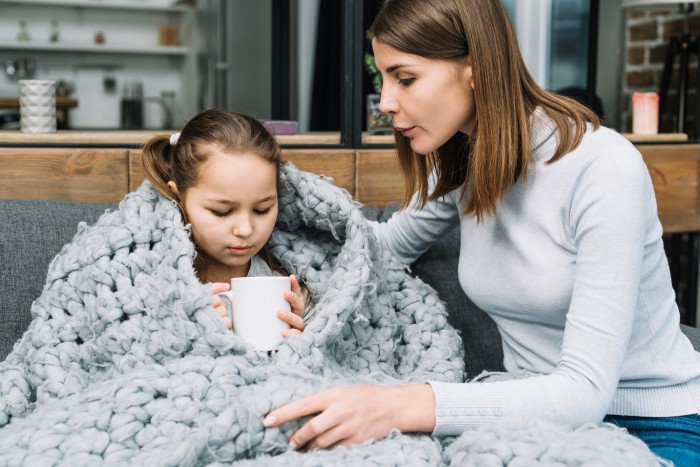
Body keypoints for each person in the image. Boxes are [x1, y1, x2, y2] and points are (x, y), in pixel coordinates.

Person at [262, 0, 700, 463]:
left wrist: (402, 404)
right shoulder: (467, 162)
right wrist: (298, 295)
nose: (387, 103)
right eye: (384, 79)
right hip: (523, 417)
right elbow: (380, 251)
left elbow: (586, 391)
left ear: (473, 68)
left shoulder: (604, 168)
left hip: (652, 423)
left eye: (405, 78)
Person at [141, 109, 307, 335]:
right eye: (221, 212)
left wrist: (302, 337)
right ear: (179, 197)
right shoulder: (154, 282)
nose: (245, 229)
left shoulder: (287, 286)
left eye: (262, 210)